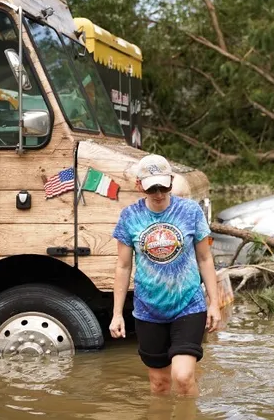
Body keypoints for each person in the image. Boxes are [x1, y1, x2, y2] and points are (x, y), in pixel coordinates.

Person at [109, 154, 221, 397]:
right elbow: (123, 266)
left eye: (164, 186)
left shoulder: (190, 211)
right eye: (152, 188)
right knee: (159, 385)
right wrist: (117, 314)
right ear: (140, 186)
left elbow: (205, 258)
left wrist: (215, 303)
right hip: (148, 309)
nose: (159, 193)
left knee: (182, 377)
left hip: (188, 305)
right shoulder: (130, 217)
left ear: (171, 181)